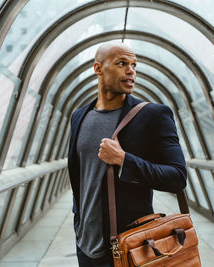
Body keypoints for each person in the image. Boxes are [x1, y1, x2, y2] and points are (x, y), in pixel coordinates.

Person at [67, 42, 187, 267]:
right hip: (85, 245)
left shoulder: (153, 115)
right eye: (122, 63)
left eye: (134, 65)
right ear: (98, 69)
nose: (131, 70)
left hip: (130, 246)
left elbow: (177, 177)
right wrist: (79, 225)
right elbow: (81, 177)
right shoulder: (79, 116)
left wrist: (124, 160)